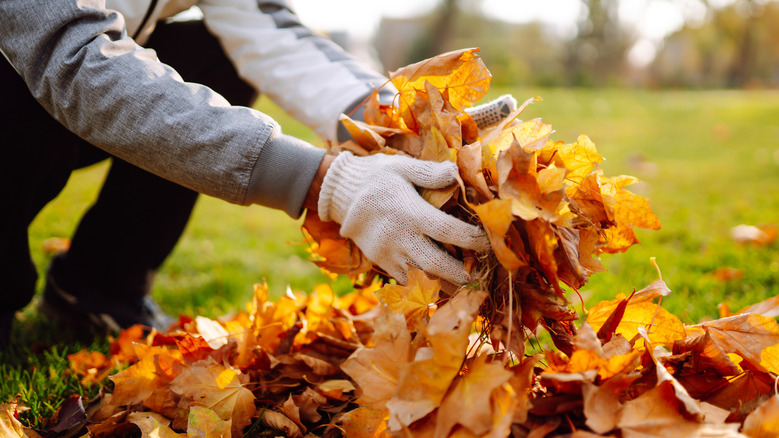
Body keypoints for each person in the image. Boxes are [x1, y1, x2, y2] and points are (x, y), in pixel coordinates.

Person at [0, 0, 493, 347]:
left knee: (210, 50)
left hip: (74, 93)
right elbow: (72, 58)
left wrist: (403, 119)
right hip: (30, 84)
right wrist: (328, 182)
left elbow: (267, 28)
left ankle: (98, 287)